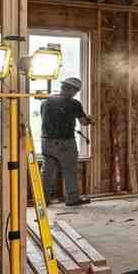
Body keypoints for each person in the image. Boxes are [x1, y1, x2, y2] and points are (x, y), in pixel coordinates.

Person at [40, 76, 93, 206]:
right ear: (73, 90)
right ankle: (72, 198)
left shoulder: (46, 102)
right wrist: (90, 119)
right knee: (69, 171)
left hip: (47, 142)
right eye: (76, 91)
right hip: (66, 143)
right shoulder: (74, 103)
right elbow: (83, 122)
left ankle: (42, 200)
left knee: (47, 172)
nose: (75, 94)